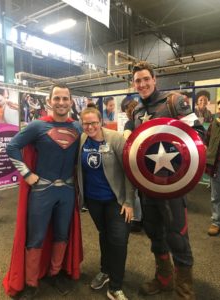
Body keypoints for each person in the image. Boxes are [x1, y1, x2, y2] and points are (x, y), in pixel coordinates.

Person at [131, 62, 205, 300]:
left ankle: (185, 291)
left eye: (145, 79)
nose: (142, 84)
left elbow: (199, 135)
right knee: (154, 234)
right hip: (147, 186)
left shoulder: (174, 102)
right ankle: (164, 280)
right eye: (137, 81)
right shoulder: (136, 112)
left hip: (172, 186)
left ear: (155, 80)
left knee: (177, 237)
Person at [3, 83, 83, 299]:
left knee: (61, 234)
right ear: (49, 101)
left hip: (66, 191)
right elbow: (12, 147)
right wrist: (27, 174)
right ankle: (30, 283)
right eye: (57, 98)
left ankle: (54, 273)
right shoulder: (37, 126)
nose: (61, 102)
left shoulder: (78, 127)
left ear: (71, 101)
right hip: (42, 190)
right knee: (36, 237)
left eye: (65, 98)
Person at [77, 107, 135, 300]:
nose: (90, 126)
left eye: (94, 122)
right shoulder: (82, 140)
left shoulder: (116, 139)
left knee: (118, 241)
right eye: (86, 123)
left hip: (116, 201)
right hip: (94, 201)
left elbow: (130, 171)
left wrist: (129, 201)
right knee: (104, 235)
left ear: (101, 121)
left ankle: (116, 286)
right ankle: (105, 270)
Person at [123, 99, 143, 232]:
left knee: (134, 192)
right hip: (147, 161)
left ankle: (136, 220)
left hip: (134, 160)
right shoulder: (145, 123)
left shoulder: (130, 123)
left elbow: (126, 139)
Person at [205, 111, 220, 236]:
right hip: (216, 166)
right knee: (215, 196)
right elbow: (206, 141)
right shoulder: (214, 124)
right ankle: (216, 222)